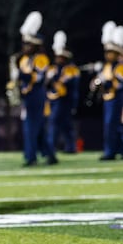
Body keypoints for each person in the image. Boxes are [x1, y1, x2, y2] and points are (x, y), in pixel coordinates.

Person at [93, 21, 123, 160]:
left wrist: (105, 82)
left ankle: (121, 150)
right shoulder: (106, 66)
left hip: (120, 99)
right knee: (111, 127)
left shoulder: (122, 66)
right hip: (109, 100)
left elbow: (119, 85)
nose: (107, 55)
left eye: (110, 52)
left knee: (118, 127)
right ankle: (116, 150)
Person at [13, 12, 50, 167]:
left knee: (31, 127)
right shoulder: (24, 59)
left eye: (28, 44)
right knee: (38, 128)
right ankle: (50, 155)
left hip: (37, 94)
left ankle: (31, 157)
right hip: (28, 95)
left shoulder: (41, 58)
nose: (24, 47)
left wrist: (20, 74)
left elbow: (39, 77)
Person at [42, 31, 80, 162]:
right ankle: (70, 146)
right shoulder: (53, 69)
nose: (58, 59)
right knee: (64, 124)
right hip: (54, 100)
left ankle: (52, 148)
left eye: (60, 57)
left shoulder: (71, 69)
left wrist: (55, 77)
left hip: (65, 101)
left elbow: (68, 84)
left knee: (55, 124)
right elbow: (46, 84)